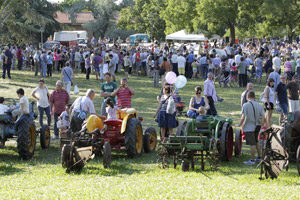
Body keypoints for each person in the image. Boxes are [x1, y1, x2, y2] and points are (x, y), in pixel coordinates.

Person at [236, 91, 264, 165]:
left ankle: (252, 160)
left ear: (247, 97)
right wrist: (262, 124)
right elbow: (263, 116)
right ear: (254, 97)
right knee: (256, 141)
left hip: (249, 127)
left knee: (252, 143)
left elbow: (243, 117)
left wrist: (239, 124)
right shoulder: (259, 105)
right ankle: (260, 157)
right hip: (257, 126)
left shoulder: (245, 105)